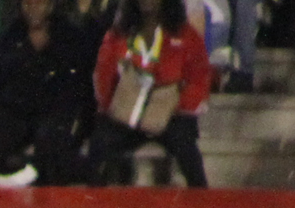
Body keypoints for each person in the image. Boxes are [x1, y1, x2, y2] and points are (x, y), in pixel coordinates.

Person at [0, 0, 95, 179]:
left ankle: (46, 197)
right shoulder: (10, 35)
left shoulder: (69, 35)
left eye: (39, 4)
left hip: (56, 112)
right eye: (28, 4)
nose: (33, 9)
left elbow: (78, 82)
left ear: (50, 6)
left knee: (51, 140)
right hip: (17, 109)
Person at [88, 0, 211, 183]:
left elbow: (199, 80)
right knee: (100, 143)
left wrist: (172, 105)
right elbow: (104, 77)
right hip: (127, 115)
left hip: (171, 117)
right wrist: (117, 106)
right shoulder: (118, 35)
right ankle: (92, 206)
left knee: (186, 147)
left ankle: (203, 204)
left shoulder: (186, 35)